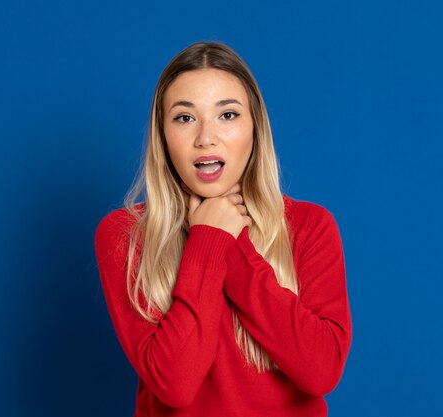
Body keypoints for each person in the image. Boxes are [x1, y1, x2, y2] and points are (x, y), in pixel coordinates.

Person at [94, 41, 352, 416]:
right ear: (162, 136)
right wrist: (207, 242)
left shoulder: (309, 227)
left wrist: (230, 244)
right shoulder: (124, 235)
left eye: (227, 115)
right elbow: (175, 385)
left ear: (255, 128)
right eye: (184, 118)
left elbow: (321, 372)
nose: (205, 137)